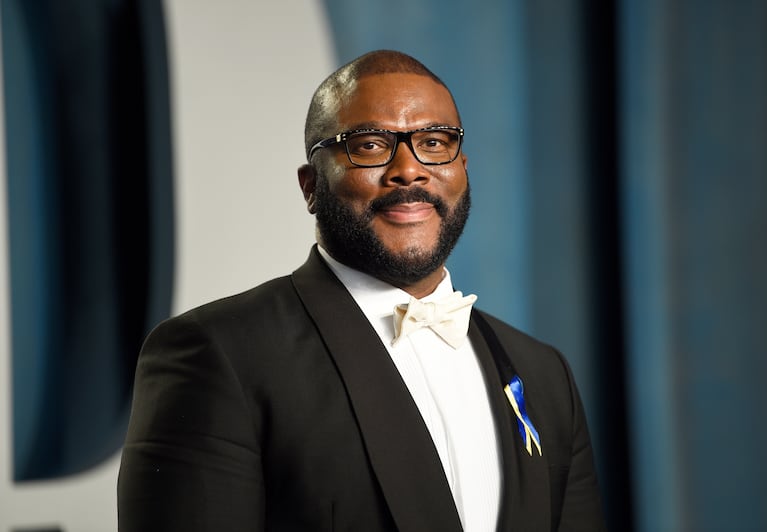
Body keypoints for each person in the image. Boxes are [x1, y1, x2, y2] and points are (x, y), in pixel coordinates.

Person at [117, 50, 605, 532]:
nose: (409, 170)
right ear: (311, 187)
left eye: (435, 142)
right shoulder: (218, 353)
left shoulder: (544, 374)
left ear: (463, 169)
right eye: (369, 145)